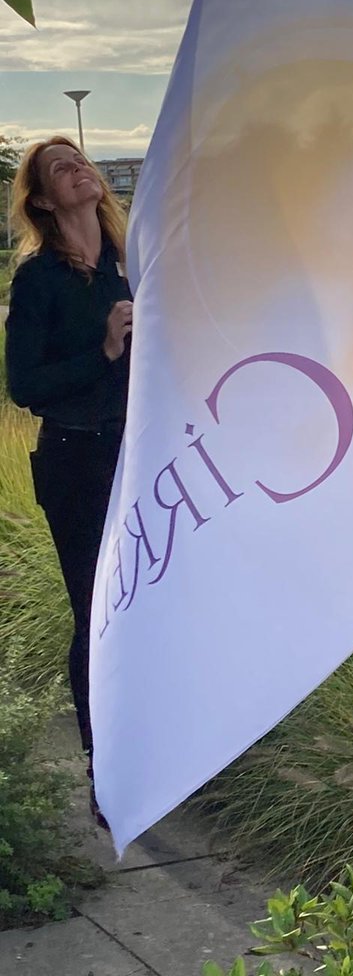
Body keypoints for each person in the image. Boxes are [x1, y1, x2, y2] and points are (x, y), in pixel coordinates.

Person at [5, 136, 132, 826]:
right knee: (98, 612)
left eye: (80, 159)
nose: (79, 168)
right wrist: (105, 349)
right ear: (44, 200)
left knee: (146, 605)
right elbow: (25, 386)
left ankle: (152, 744)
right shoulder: (38, 279)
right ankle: (102, 769)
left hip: (139, 457)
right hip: (76, 461)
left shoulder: (129, 262)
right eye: (61, 167)